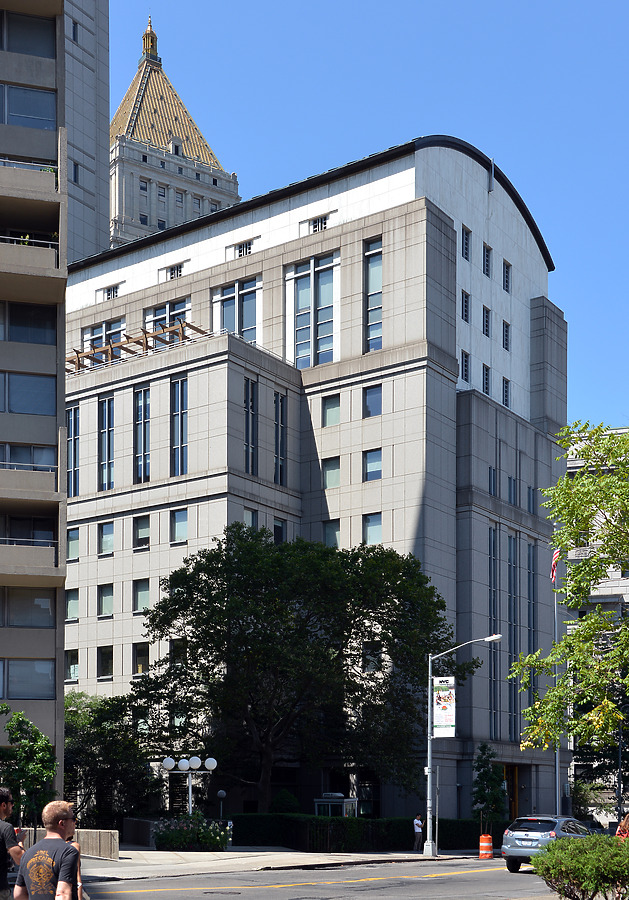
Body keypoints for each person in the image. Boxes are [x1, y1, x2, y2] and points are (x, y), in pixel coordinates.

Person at [14, 801, 79, 900]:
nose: (75, 822)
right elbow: (63, 894)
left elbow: (19, 894)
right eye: (73, 819)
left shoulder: (28, 853)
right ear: (62, 823)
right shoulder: (68, 852)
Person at [0, 786, 24, 900]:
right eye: (11, 802)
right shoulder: (5, 828)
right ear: (3, 805)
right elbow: (20, 859)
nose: (13, 805)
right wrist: (20, 841)